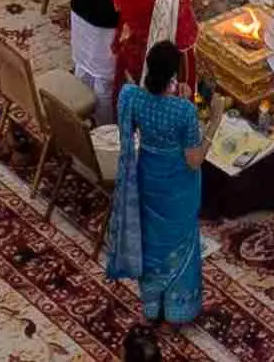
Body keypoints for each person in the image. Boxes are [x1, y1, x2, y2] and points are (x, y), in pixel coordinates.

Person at [105, 36, 206, 353]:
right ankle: (174, 312)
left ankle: (151, 308)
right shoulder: (184, 113)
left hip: (148, 177)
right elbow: (194, 159)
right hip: (177, 185)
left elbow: (136, 112)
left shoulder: (133, 97)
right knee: (179, 242)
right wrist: (213, 125)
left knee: (152, 240)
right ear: (173, 75)